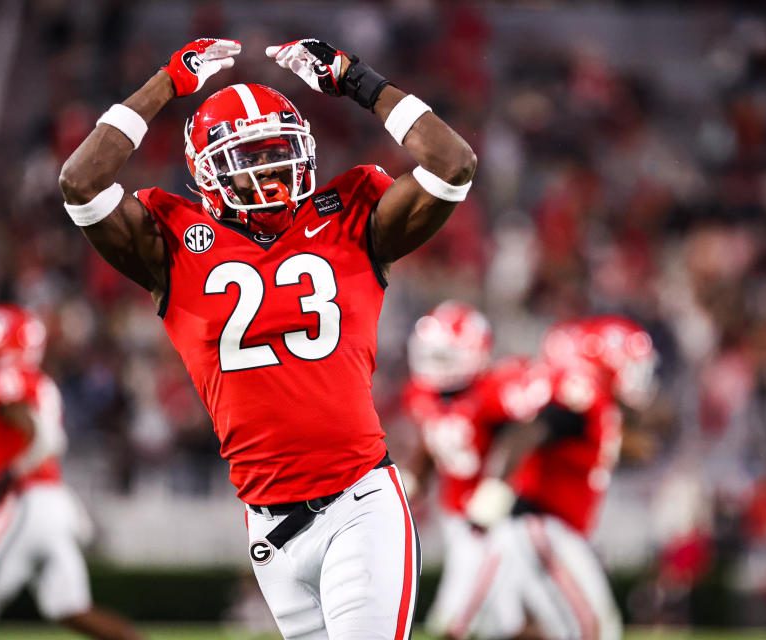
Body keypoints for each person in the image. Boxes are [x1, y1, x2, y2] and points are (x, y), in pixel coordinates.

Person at [58, 37, 477, 639]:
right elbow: (80, 181)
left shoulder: (352, 218)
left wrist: (358, 80)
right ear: (206, 169)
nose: (268, 171)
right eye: (246, 157)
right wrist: (165, 85)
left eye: (278, 153)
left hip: (359, 508)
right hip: (268, 532)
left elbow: (453, 162)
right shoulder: (172, 243)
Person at [461, 315, 658, 640]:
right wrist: (490, 499)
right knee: (595, 629)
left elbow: (576, 442)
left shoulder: (597, 405)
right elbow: (523, 436)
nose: (638, 375)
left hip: (550, 528)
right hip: (543, 527)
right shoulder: (581, 394)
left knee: (545, 631)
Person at [0, 305, 141, 640]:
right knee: (73, 611)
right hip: (51, 499)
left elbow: (43, 434)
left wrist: (11, 472)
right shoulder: (31, 377)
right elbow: (28, 441)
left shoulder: (5, 376)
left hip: (25, 502)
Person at [402, 301, 548, 639]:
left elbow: (523, 437)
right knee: (505, 626)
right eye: (430, 355)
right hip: (455, 517)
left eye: (443, 356)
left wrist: (495, 495)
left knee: (452, 621)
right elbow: (429, 445)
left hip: (493, 524)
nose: (433, 365)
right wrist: (406, 487)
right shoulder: (421, 393)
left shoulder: (494, 389)